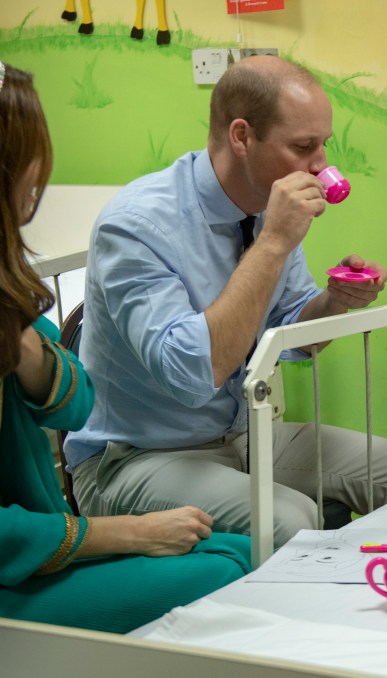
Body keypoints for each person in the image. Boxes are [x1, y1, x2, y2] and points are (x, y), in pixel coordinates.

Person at [64, 55, 387, 548]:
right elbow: (192, 375)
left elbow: (292, 335)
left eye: (323, 145)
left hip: (242, 439)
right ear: (242, 137)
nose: (321, 165)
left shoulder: (265, 210)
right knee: (291, 519)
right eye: (304, 147)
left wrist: (334, 301)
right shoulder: (136, 227)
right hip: (136, 458)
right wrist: (272, 245)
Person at [0, 62, 251, 633]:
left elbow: (73, 403)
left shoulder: (8, 281)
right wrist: (121, 533)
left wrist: (26, 351)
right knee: (236, 565)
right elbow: (192, 369)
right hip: (62, 521)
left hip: (43, 532)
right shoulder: (136, 224)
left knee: (236, 555)